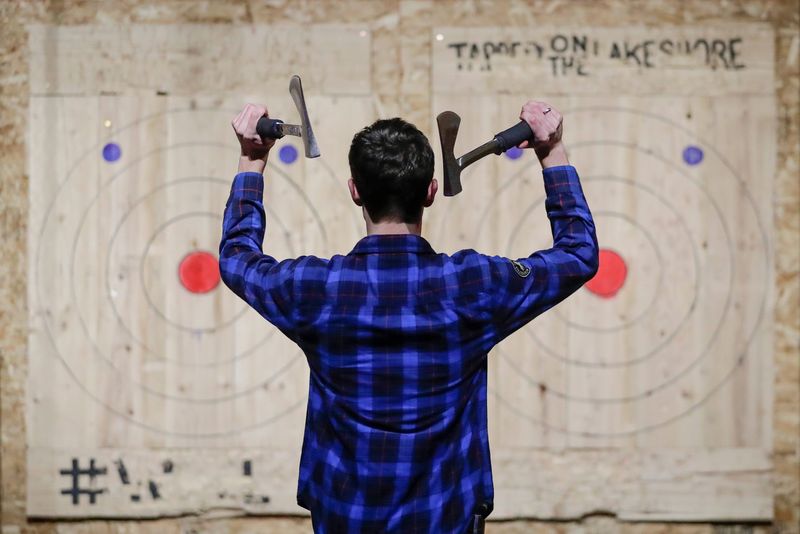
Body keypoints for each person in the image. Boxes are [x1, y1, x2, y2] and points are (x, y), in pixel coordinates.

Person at [220, 101, 598, 533]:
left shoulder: (316, 288)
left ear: (355, 191)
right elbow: (577, 253)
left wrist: (252, 160)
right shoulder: (472, 285)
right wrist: (551, 151)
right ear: (431, 192)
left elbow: (237, 259)